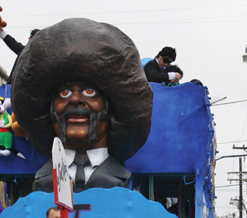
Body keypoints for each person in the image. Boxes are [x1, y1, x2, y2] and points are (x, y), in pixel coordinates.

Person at [11, 18, 153, 193]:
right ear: (50, 110)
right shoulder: (43, 179)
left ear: (109, 109)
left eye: (89, 92)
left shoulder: (122, 180)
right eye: (64, 93)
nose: (75, 100)